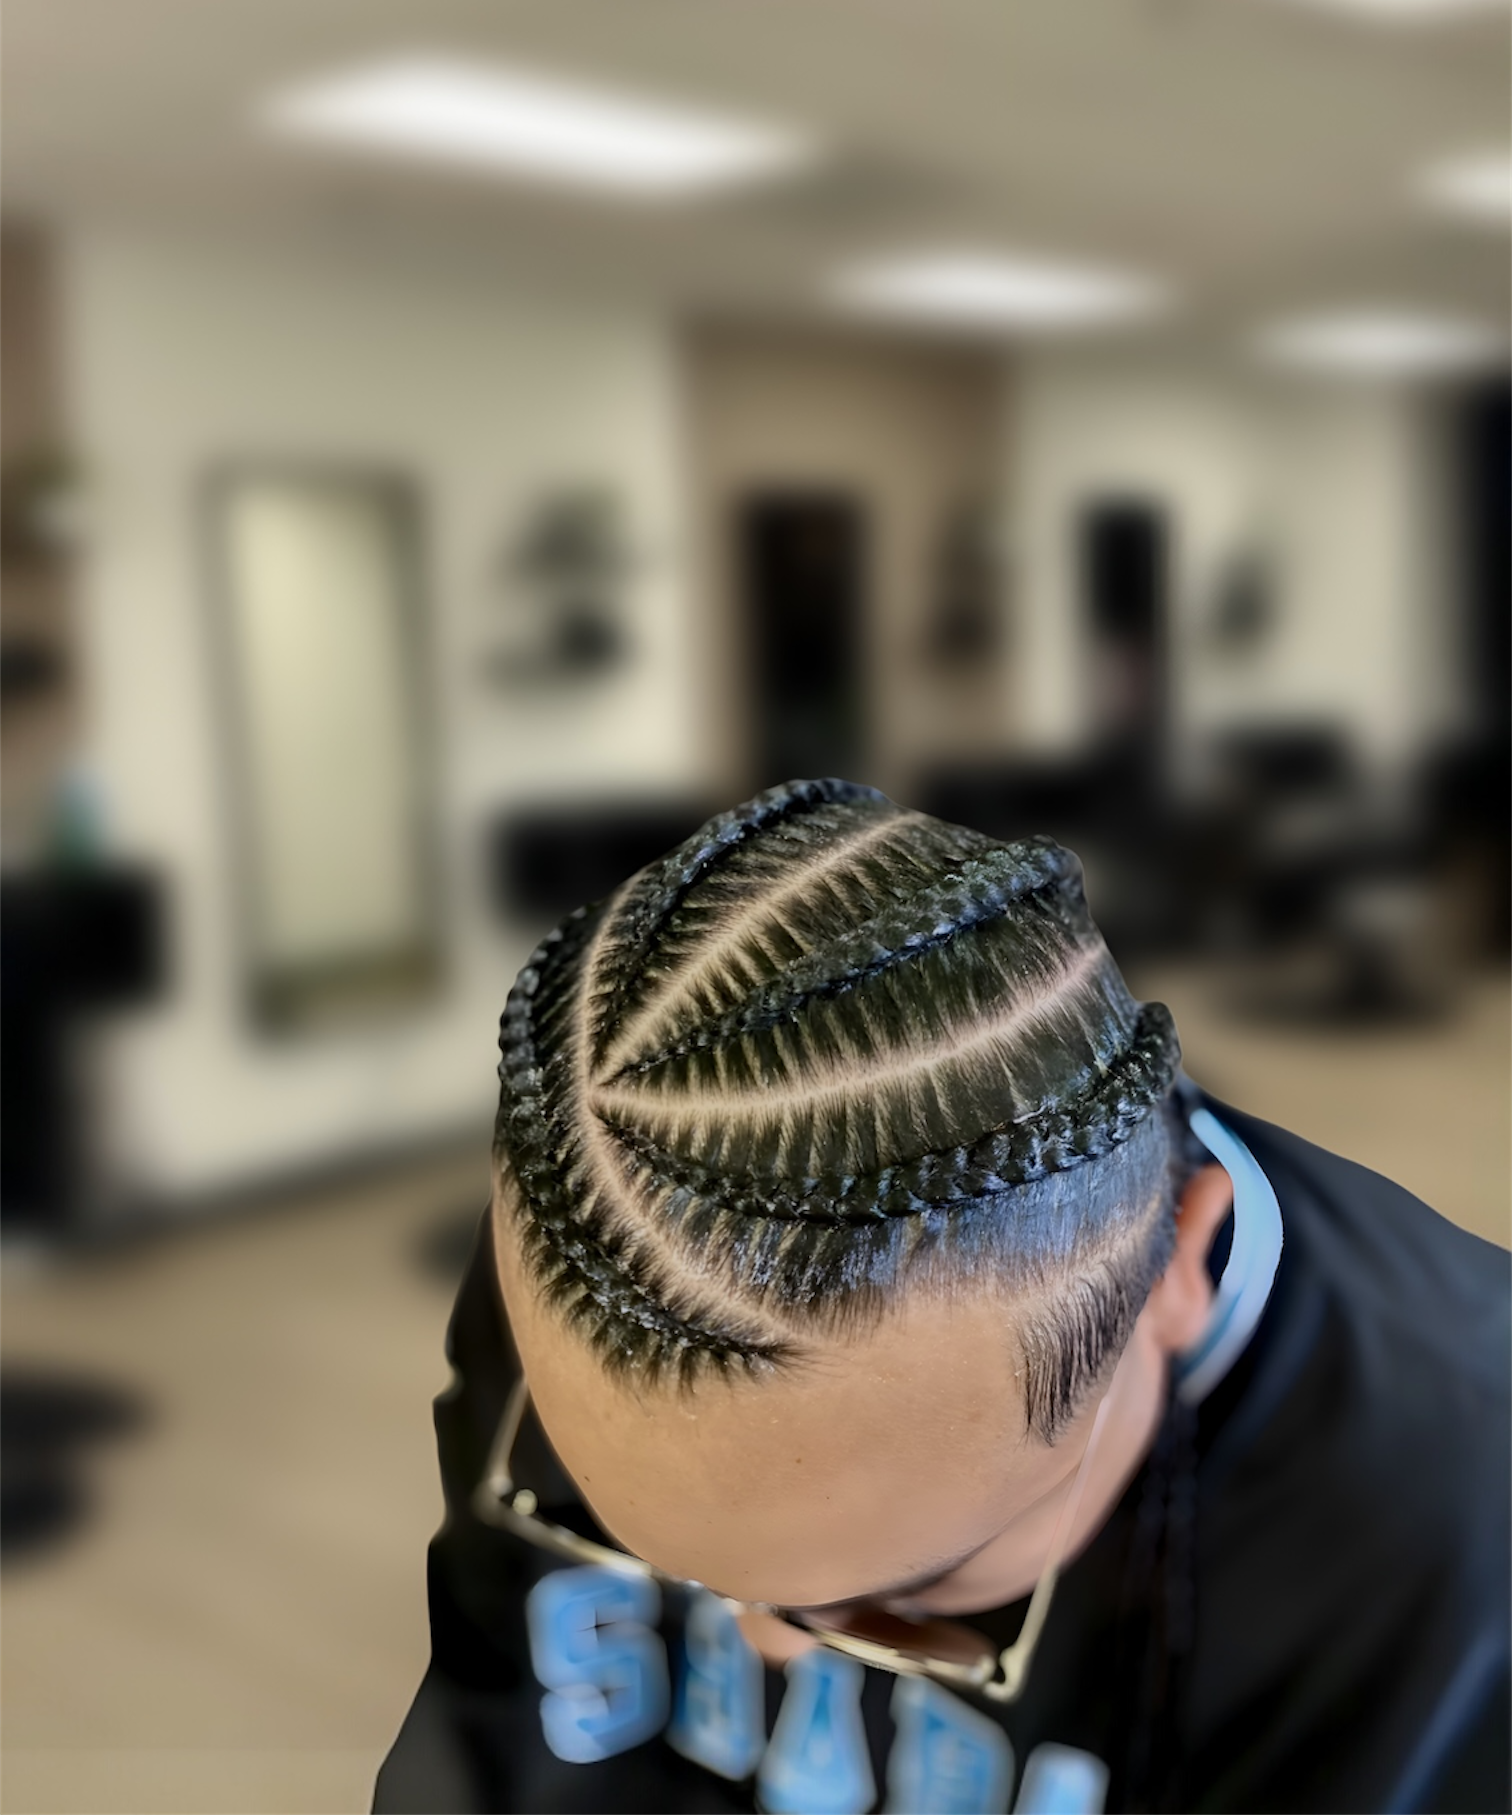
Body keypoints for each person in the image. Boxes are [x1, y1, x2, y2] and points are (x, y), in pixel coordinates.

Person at [373, 778, 1509, 1815]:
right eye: (637, 1544)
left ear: (1176, 1265)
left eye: (911, 1597)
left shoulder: (1454, 1549)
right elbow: (485, 1706)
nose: (769, 1646)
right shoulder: (612, 1229)